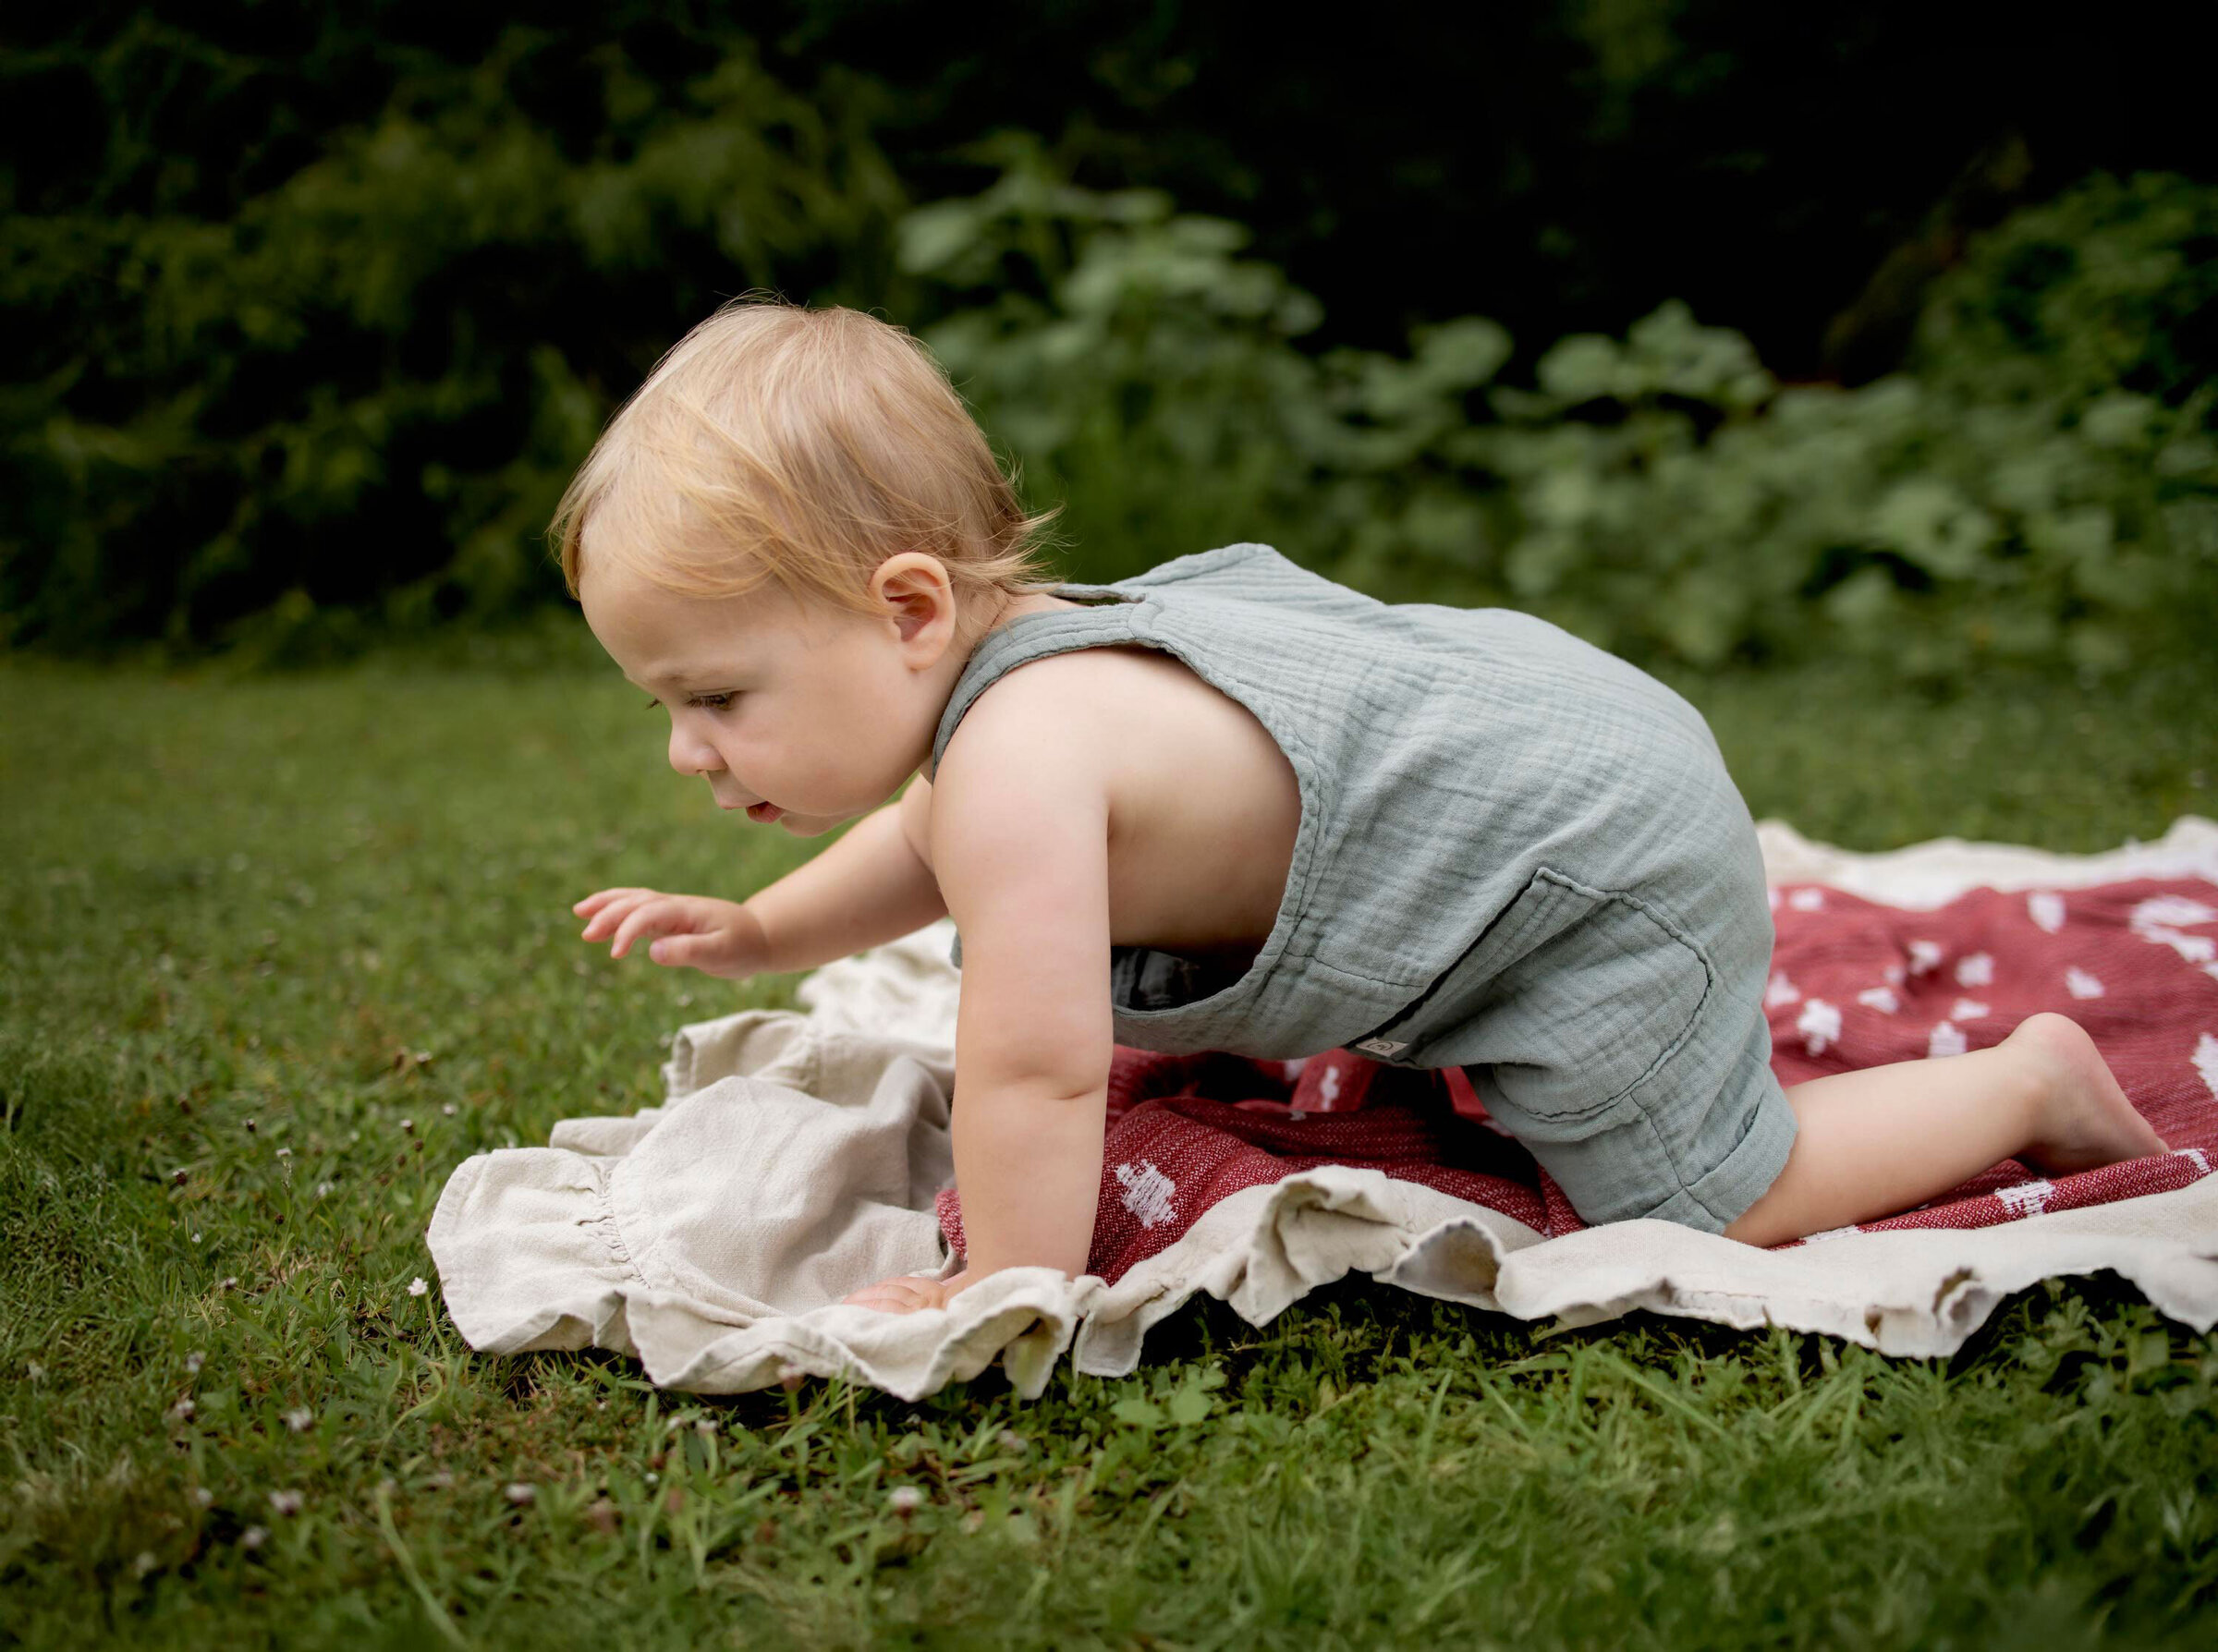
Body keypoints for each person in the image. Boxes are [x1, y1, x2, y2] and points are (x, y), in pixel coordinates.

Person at [555, 298, 2165, 1315]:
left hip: (1594, 870)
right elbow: (921, 851)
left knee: (1699, 1200)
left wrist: (1016, 1281)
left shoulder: (1018, 759)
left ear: (910, 611)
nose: (690, 751)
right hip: (1551, 752)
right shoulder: (1015, 696)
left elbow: (1038, 1071)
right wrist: (766, 927)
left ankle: (2023, 1085)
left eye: (716, 698)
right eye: (670, 707)